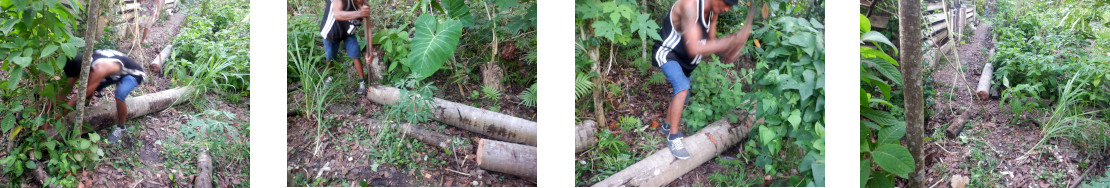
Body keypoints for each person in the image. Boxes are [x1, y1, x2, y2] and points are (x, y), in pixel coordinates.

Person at [651, 0, 758, 159]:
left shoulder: (711, 13)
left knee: (683, 93)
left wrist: (729, 49)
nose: (727, 9)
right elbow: (694, 48)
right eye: (726, 4)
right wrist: (730, 41)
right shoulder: (690, 6)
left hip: (685, 61)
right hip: (668, 53)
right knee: (682, 86)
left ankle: (667, 126)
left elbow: (709, 45)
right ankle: (673, 138)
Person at [57, 50, 147, 143]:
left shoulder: (99, 68)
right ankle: (86, 107)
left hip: (133, 74)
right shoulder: (82, 62)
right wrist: (54, 106)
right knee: (90, 84)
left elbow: (86, 91)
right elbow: (67, 88)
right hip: (114, 73)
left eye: (77, 76)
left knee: (119, 94)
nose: (76, 78)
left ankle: (121, 128)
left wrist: (65, 109)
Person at [320, 0, 371, 94]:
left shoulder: (365, 4)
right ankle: (330, 76)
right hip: (331, 31)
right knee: (330, 56)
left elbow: (368, 28)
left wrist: (370, 52)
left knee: (356, 54)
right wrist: (360, 13)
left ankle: (362, 82)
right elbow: (337, 14)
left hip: (348, 32)